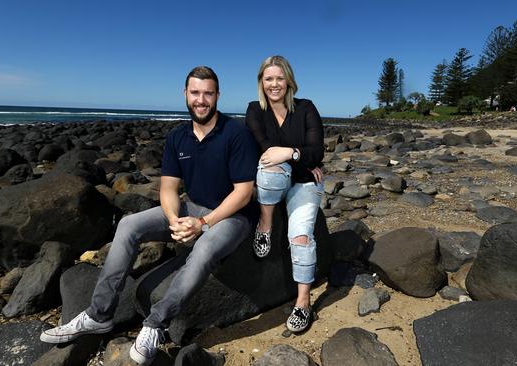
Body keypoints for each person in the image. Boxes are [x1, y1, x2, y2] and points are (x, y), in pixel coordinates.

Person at [40, 66, 258, 365]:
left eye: (208, 93)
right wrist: (173, 221)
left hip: (232, 216)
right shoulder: (178, 137)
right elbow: (168, 189)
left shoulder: (236, 133)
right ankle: (99, 314)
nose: (201, 100)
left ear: (218, 96)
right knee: (129, 224)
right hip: (191, 207)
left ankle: (156, 323)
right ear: (185, 94)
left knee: (205, 247)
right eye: (195, 93)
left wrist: (203, 224)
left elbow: (243, 192)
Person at [245, 55, 324, 333]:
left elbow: (318, 151)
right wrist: (301, 156)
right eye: (269, 79)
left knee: (301, 238)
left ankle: (303, 302)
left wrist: (291, 152)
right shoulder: (255, 110)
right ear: (261, 82)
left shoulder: (306, 108)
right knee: (269, 167)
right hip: (274, 180)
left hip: (304, 184)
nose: (274, 84)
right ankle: (265, 222)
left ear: (289, 80)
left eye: (280, 78)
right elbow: (264, 149)